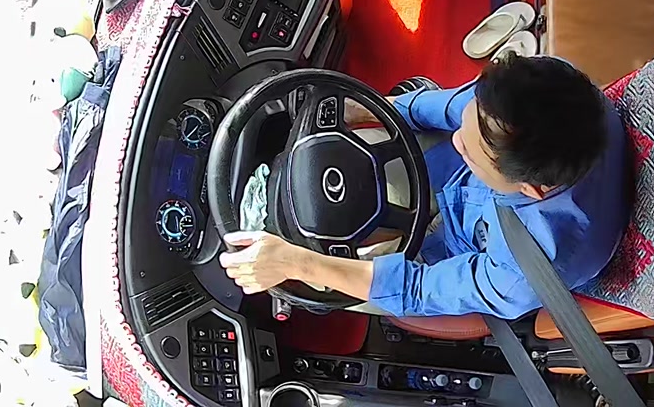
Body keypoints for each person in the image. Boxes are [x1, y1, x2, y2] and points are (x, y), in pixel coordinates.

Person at [221, 55, 630, 319]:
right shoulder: (546, 85)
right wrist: (378, 108)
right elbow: (457, 107)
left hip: (458, 251)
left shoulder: (525, 271)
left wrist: (298, 265)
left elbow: (415, 289)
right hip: (473, 190)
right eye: (467, 126)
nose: (458, 141)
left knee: (325, 284)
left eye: (472, 153)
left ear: (531, 190)